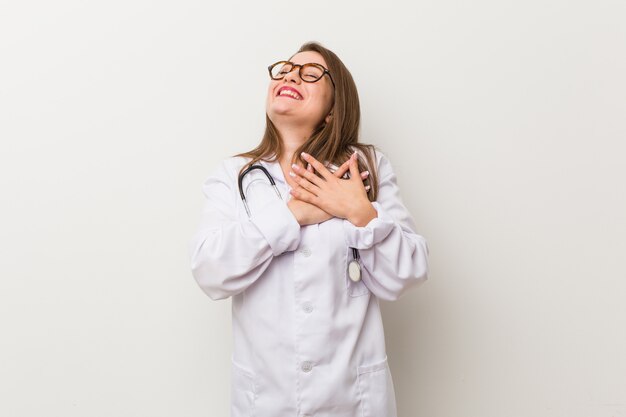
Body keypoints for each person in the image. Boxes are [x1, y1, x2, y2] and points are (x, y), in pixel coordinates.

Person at [188, 41, 429, 417]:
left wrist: (359, 212)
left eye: (310, 73)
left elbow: (407, 274)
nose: (289, 75)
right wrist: (293, 215)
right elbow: (210, 272)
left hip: (352, 400)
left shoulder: (366, 167)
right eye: (284, 69)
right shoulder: (234, 175)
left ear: (334, 109)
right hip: (266, 399)